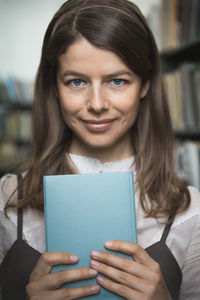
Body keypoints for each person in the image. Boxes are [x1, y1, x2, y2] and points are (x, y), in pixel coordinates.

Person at [0, 0, 200, 299]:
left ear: (145, 84)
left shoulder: (190, 210)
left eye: (117, 81)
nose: (96, 104)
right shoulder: (8, 196)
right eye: (77, 81)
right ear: (54, 86)